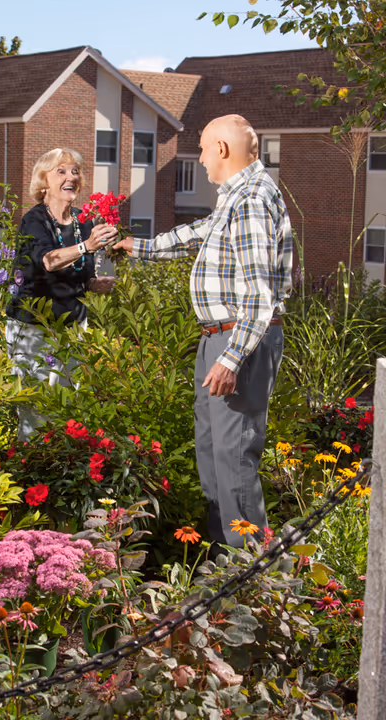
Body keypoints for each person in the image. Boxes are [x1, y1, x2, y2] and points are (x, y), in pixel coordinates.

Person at [115, 114, 293, 550]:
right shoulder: (235, 198)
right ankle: (225, 570)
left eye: (200, 148)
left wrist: (231, 358)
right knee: (213, 456)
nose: (197, 158)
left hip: (238, 341)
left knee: (233, 461)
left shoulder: (250, 199)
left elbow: (258, 294)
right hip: (220, 337)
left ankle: (255, 581)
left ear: (222, 150)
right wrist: (137, 246)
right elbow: (199, 234)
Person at [6, 147, 118, 440]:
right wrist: (87, 247)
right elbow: (48, 261)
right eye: (61, 171)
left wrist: (94, 284)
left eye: (75, 171)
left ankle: (59, 475)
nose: (71, 177)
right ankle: (29, 471)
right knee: (35, 406)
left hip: (73, 326)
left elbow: (79, 272)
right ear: (43, 180)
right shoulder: (34, 221)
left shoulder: (84, 221)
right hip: (35, 327)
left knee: (68, 403)